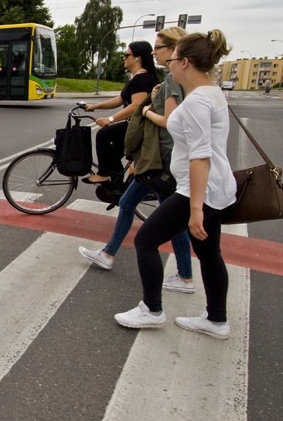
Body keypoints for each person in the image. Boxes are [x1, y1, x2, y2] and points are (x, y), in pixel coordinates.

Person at [114, 30, 236, 339]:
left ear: (187, 62)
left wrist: (195, 208)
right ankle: (216, 320)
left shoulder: (197, 102)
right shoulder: (211, 92)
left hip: (199, 190)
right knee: (209, 254)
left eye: (175, 58)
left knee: (145, 241)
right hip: (214, 187)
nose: (170, 63)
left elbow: (200, 157)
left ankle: (152, 309)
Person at [79, 28, 194, 293]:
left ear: (174, 50)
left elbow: (170, 122)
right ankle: (108, 254)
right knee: (129, 201)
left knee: (170, 218)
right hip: (157, 156)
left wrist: (146, 110)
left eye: (160, 47)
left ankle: (184, 278)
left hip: (162, 158)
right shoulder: (172, 80)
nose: (155, 52)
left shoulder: (174, 81)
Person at [83, 41, 158, 184]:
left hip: (139, 125)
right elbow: (120, 99)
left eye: (126, 54)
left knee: (103, 135)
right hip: (137, 123)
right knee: (113, 153)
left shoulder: (142, 78)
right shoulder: (138, 77)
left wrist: (110, 120)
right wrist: (94, 106)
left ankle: (104, 174)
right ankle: (117, 187)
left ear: (137, 57)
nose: (123, 57)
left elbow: (136, 105)